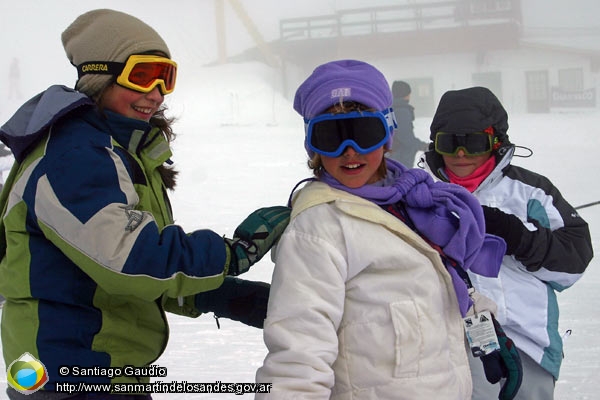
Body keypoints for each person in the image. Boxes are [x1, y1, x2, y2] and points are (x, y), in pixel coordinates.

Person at [0, 9, 289, 399]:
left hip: (94, 368)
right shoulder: (74, 156)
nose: (155, 92)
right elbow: (128, 259)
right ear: (98, 76)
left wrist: (233, 297)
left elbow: (133, 275)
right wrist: (228, 255)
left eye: (165, 77)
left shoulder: (115, 151)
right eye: (141, 75)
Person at [255, 60, 509, 399]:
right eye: (331, 137)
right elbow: (298, 357)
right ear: (313, 146)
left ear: (387, 134)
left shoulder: (412, 204)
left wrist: (479, 315)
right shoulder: (319, 230)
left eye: (364, 134)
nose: (350, 152)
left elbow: (418, 292)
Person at [421, 86, 593, 399]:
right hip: (446, 346)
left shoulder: (531, 192)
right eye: (450, 142)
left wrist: (517, 236)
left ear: (496, 141)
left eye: (474, 143)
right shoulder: (422, 195)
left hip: (528, 345)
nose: (460, 155)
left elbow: (572, 265)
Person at [387, 80, 427, 167]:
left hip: (392, 156)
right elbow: (406, 137)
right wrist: (423, 146)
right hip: (401, 158)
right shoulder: (401, 111)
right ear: (406, 94)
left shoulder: (391, 109)